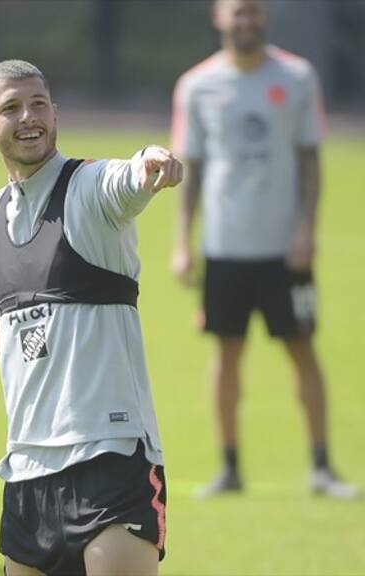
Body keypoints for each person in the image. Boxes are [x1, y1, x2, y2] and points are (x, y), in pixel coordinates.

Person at [0, 60, 182, 576]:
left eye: (38, 103)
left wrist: (150, 161)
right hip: (27, 467)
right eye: (10, 108)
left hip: (109, 456)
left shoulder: (89, 188)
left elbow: (124, 181)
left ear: (55, 112)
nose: (28, 117)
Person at [170, 0, 358, 498]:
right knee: (226, 354)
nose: (245, 20)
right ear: (217, 16)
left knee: (302, 349)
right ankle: (229, 468)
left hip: (284, 250)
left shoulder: (297, 77)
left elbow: (310, 161)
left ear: (264, 17)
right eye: (237, 12)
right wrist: (182, 245)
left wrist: (306, 230)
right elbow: (192, 171)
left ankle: (321, 467)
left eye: (253, 11)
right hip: (224, 248)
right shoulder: (197, 85)